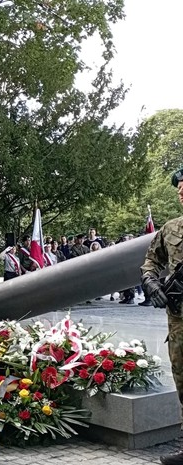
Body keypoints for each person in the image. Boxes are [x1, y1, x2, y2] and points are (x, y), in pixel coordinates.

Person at [141, 167, 183, 465]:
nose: (181, 193)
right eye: (179, 189)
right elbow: (150, 261)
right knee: (182, 380)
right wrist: (151, 283)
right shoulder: (170, 229)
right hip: (179, 319)